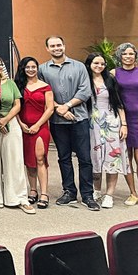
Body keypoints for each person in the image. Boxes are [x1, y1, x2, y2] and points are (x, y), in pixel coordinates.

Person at [38, 36, 99, 210]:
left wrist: (67, 106)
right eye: (52, 46)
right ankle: (69, 192)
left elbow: (85, 91)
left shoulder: (79, 66)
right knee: (63, 157)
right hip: (57, 120)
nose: (56, 48)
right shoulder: (42, 69)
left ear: (64, 46)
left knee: (84, 158)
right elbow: (44, 93)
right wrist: (59, 108)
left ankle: (87, 194)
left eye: (59, 45)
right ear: (47, 49)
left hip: (79, 118)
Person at [0, 55, 36, 214]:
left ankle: (19, 197)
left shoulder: (11, 84)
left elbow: (17, 105)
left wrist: (6, 119)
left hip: (11, 123)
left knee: (14, 160)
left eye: (0, 63)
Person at [86, 52, 135, 208]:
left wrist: (124, 124)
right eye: (96, 63)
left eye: (102, 64)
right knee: (95, 157)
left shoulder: (110, 79)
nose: (99, 66)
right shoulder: (85, 80)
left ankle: (109, 194)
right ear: (89, 64)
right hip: (92, 123)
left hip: (111, 122)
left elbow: (118, 103)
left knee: (112, 159)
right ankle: (97, 191)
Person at [16, 56, 54, 210]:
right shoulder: (19, 85)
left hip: (40, 127)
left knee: (39, 158)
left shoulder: (45, 86)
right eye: (27, 67)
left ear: (37, 68)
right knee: (29, 160)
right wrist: (21, 123)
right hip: (23, 127)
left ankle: (44, 193)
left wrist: (38, 125)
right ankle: (33, 190)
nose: (30, 70)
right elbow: (15, 106)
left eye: (33, 67)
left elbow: (50, 108)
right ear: (23, 69)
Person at [112, 42, 138, 205]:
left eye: (131, 54)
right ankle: (133, 193)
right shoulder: (114, 73)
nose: (128, 57)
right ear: (120, 56)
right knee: (126, 157)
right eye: (125, 54)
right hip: (123, 119)